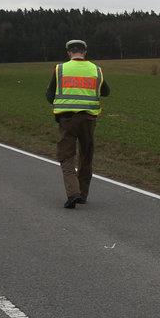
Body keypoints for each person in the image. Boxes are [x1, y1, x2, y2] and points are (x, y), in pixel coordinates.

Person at [46, 39, 110, 208]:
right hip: (89, 120)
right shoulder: (96, 70)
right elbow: (106, 92)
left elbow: (49, 95)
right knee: (86, 155)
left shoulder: (60, 69)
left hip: (67, 120)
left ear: (69, 53)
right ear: (85, 52)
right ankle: (83, 194)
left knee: (67, 156)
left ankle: (73, 193)